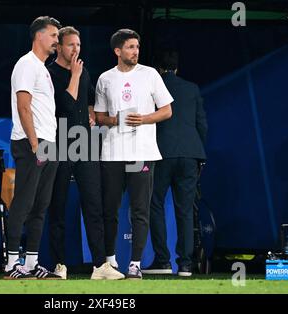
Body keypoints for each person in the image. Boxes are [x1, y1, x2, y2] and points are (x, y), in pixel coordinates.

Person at [94, 29, 173, 279]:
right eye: (130, 47)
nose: (135, 51)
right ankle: (109, 262)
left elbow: (167, 110)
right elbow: (99, 117)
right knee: (110, 209)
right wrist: (115, 119)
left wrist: (144, 119)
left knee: (140, 209)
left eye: (137, 47)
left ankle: (135, 264)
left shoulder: (150, 75)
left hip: (142, 152)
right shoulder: (105, 79)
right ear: (117, 51)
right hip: (113, 152)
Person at [47, 26, 124, 280]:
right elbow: (66, 105)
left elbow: (88, 101)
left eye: (78, 45)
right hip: (59, 143)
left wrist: (91, 114)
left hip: (85, 144)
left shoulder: (84, 72)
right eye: (71, 45)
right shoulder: (51, 74)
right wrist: (75, 76)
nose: (76, 49)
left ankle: (100, 265)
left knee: (94, 204)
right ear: (58, 47)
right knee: (57, 205)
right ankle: (59, 264)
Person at [5, 16, 62, 280]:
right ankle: (11, 264)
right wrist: (34, 143)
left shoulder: (43, 69)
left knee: (41, 205)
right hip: (32, 143)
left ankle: (31, 263)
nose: (56, 40)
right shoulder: (26, 64)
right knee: (23, 203)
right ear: (38, 36)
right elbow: (23, 106)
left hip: (48, 144)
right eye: (53, 35)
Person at [143, 49, 208, 277]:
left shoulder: (152, 88)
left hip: (161, 153)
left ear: (158, 69)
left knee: (154, 204)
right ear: (177, 67)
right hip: (190, 155)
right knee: (185, 209)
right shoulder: (192, 88)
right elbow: (202, 125)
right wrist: (198, 153)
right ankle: (186, 265)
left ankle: (162, 261)